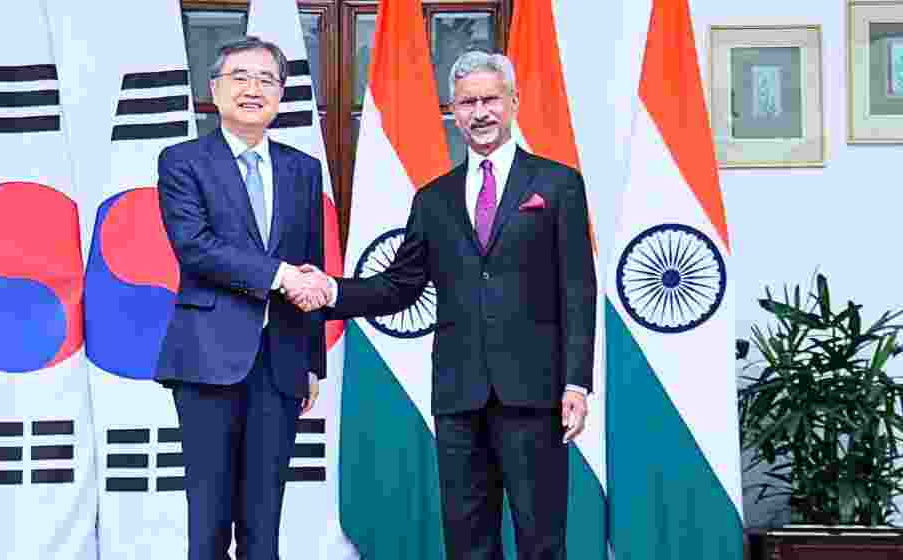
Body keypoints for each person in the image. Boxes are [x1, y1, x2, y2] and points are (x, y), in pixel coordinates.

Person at [296, 50, 595, 560]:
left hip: (535, 395)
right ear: (452, 111)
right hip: (459, 397)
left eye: (490, 100)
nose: (479, 112)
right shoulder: (432, 199)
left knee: (541, 540)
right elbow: (400, 286)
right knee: (467, 543)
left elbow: (578, 288)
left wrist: (576, 382)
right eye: (466, 102)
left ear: (513, 103)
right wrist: (332, 291)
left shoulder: (557, 183)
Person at [155, 35, 329, 560]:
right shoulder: (183, 161)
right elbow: (196, 248)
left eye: (267, 80)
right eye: (241, 77)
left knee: (263, 525)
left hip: (280, 365)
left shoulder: (303, 169)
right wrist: (278, 275)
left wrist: (312, 361)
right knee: (207, 524)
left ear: (281, 94)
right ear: (215, 90)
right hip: (207, 358)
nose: (253, 89)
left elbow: (310, 267)